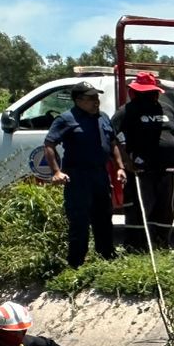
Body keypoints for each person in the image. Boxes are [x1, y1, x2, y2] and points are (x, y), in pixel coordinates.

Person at [43, 81, 126, 268]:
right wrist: (56, 171)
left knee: (104, 218)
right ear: (78, 100)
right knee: (79, 221)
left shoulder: (103, 117)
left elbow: (113, 143)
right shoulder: (66, 119)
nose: (96, 101)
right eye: (91, 98)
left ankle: (106, 258)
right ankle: (76, 264)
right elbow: (49, 144)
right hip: (77, 177)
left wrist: (120, 167)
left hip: (100, 175)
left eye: (97, 97)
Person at [113, 71, 174, 250]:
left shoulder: (167, 109)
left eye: (151, 92)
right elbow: (111, 136)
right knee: (139, 208)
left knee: (164, 209)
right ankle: (136, 247)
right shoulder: (127, 110)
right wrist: (124, 161)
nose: (148, 95)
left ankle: (161, 244)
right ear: (135, 92)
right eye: (144, 92)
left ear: (157, 92)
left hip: (166, 171)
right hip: (141, 171)